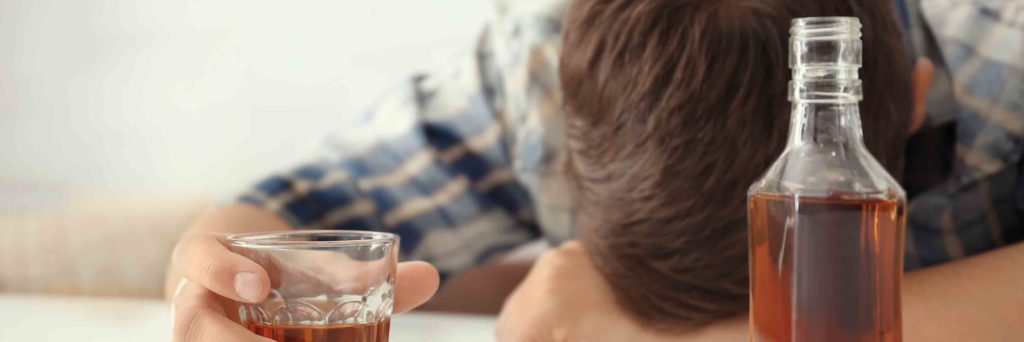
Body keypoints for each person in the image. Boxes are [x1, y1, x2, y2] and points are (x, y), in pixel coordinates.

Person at [166, 0, 1024, 340]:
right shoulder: (543, 67)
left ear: (911, 102)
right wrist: (221, 289)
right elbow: (290, 212)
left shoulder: (1004, 50)